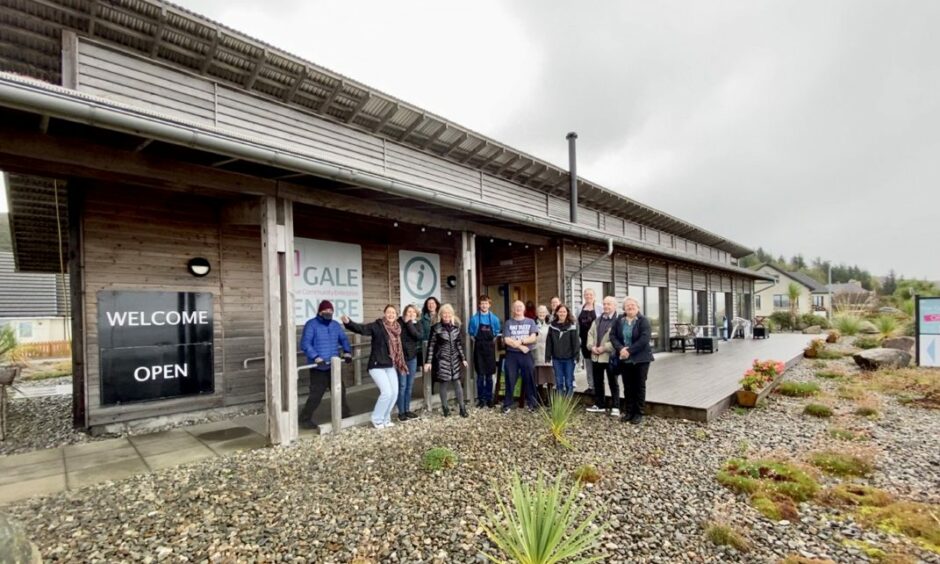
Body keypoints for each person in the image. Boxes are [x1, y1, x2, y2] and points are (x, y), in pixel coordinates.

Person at [342, 305, 408, 429]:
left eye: (393, 313)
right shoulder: (377, 326)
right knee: (386, 392)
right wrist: (348, 322)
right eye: (388, 312)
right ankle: (377, 418)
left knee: (394, 393)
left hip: (390, 365)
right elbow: (362, 329)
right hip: (377, 365)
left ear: (396, 315)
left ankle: (386, 418)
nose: (391, 315)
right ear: (384, 313)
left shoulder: (397, 328)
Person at [298, 300, 353, 429]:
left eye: (330, 311)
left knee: (340, 391)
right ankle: (304, 418)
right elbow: (305, 343)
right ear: (320, 311)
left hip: (333, 366)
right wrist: (315, 357)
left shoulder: (335, 325)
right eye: (325, 311)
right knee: (316, 395)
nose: (328, 313)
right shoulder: (311, 325)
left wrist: (347, 352)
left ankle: (344, 413)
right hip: (319, 367)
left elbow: (343, 339)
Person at [611, 296, 655, 425]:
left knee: (639, 386)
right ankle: (629, 412)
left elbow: (644, 339)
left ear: (638, 308)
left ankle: (639, 413)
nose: (630, 307)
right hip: (624, 358)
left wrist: (629, 351)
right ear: (624, 308)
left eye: (633, 305)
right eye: (627, 305)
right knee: (628, 386)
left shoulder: (644, 321)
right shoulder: (619, 320)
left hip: (641, 359)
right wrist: (620, 349)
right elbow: (613, 336)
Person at [424, 304, 469, 417]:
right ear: (441, 315)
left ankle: (462, 408)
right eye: (444, 313)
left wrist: (463, 358)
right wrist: (428, 362)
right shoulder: (436, 328)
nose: (447, 315)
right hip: (441, 360)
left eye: (449, 313)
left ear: (452, 315)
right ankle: (445, 408)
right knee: (443, 384)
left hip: (454, 359)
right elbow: (431, 346)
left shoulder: (456, 328)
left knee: (457, 383)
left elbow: (458, 344)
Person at [502, 300, 539, 413]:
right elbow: (506, 340)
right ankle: (507, 404)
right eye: (516, 307)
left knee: (529, 378)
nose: (518, 309)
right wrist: (522, 347)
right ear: (513, 309)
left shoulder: (531, 321)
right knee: (510, 378)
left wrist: (520, 341)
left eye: (520, 307)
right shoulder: (508, 323)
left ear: (524, 309)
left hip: (527, 355)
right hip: (512, 355)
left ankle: (532, 404)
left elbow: (533, 338)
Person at [586, 296, 620, 417]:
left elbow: (619, 339)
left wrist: (605, 347)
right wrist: (591, 346)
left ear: (615, 306)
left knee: (613, 382)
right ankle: (600, 405)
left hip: (610, 357)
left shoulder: (618, 321)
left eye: (609, 304)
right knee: (598, 381)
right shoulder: (598, 319)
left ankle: (616, 406)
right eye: (605, 304)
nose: (606, 306)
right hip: (596, 356)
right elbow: (590, 334)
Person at [468, 295, 501, 408]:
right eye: (482, 303)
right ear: (479, 305)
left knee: (489, 376)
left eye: (486, 303)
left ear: (489, 305)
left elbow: (496, 333)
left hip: (490, 349)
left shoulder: (495, 319)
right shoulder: (474, 319)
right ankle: (481, 399)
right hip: (479, 348)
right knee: (480, 376)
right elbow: (471, 334)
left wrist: (489, 342)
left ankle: (489, 399)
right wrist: (479, 342)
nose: (484, 305)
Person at [546, 304, 580, 397]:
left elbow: (576, 343)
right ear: (557, 312)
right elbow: (549, 342)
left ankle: (568, 403)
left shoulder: (572, 326)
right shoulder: (552, 326)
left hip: (569, 359)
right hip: (557, 359)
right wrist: (548, 356)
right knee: (559, 382)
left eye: (564, 311)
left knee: (569, 382)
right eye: (560, 311)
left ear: (567, 313)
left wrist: (576, 356)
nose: (562, 313)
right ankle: (560, 403)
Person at [396, 304, 421, 421]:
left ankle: (407, 409)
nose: (411, 314)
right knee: (402, 385)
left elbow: (417, 336)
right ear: (404, 313)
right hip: (401, 359)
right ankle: (401, 412)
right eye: (409, 312)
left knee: (409, 386)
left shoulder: (417, 324)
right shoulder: (399, 323)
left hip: (412, 358)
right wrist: (405, 322)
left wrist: (409, 323)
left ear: (416, 314)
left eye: (413, 312)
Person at [578, 288, 602, 395]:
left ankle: (598, 386)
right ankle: (591, 386)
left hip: (596, 342)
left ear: (594, 296)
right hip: (584, 341)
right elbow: (577, 325)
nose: (588, 296)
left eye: (590, 295)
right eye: (586, 295)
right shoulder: (579, 308)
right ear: (584, 296)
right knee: (588, 364)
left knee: (597, 364)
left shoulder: (599, 308)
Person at [533, 305, 554, 403]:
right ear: (537, 313)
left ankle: (549, 400)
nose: (541, 314)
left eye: (543, 312)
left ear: (547, 313)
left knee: (550, 379)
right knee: (539, 379)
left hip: (548, 353)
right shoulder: (533, 324)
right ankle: (540, 400)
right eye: (539, 312)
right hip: (537, 353)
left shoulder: (551, 324)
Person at [419, 297, 441, 363]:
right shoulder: (422, 317)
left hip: (439, 346)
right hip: (426, 346)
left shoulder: (441, 316)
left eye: (433, 303)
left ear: (436, 304)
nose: (431, 305)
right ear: (426, 305)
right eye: (429, 303)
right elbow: (420, 331)